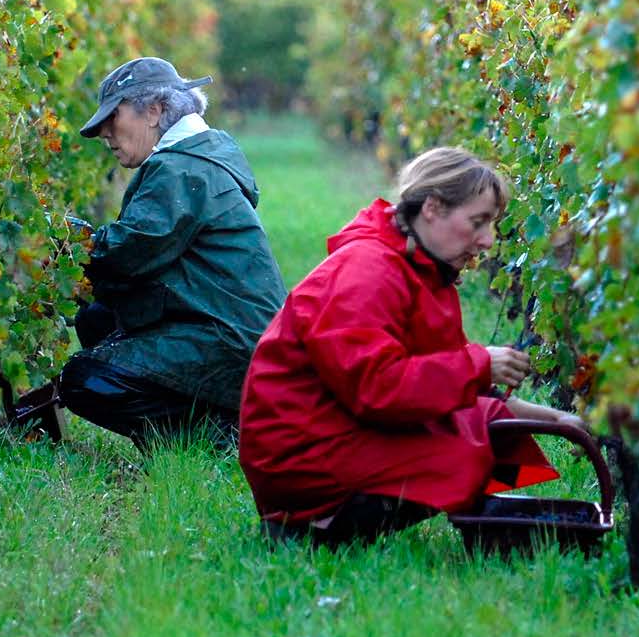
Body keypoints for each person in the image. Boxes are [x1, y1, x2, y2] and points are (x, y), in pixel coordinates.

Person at [239, 147, 585, 545]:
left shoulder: (422, 270)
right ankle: (314, 526)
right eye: (478, 222)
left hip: (335, 428)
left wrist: (558, 422)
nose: (488, 240)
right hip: (299, 454)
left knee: (486, 428)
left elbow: (463, 390)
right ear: (433, 208)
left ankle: (332, 518)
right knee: (463, 450)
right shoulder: (365, 272)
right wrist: (478, 365)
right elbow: (376, 388)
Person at [9, 57, 286, 446]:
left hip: (230, 343)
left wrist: (57, 237)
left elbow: (124, 256)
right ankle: (219, 419)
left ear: (154, 110)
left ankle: (221, 436)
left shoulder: (182, 170)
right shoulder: (198, 156)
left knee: (85, 380)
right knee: (97, 319)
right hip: (243, 337)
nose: (105, 133)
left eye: (113, 117)